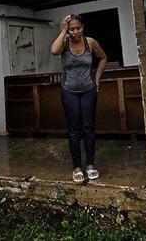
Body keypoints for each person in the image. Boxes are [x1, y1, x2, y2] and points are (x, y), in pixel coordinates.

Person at [51, 14, 107, 183]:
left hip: (89, 90)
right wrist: (63, 30)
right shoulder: (64, 44)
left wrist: (97, 78)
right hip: (69, 92)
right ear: (68, 30)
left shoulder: (91, 43)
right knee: (74, 129)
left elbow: (103, 58)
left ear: (83, 27)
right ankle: (77, 168)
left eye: (78, 28)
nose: (75, 32)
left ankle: (90, 165)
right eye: (72, 29)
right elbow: (54, 51)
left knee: (88, 128)